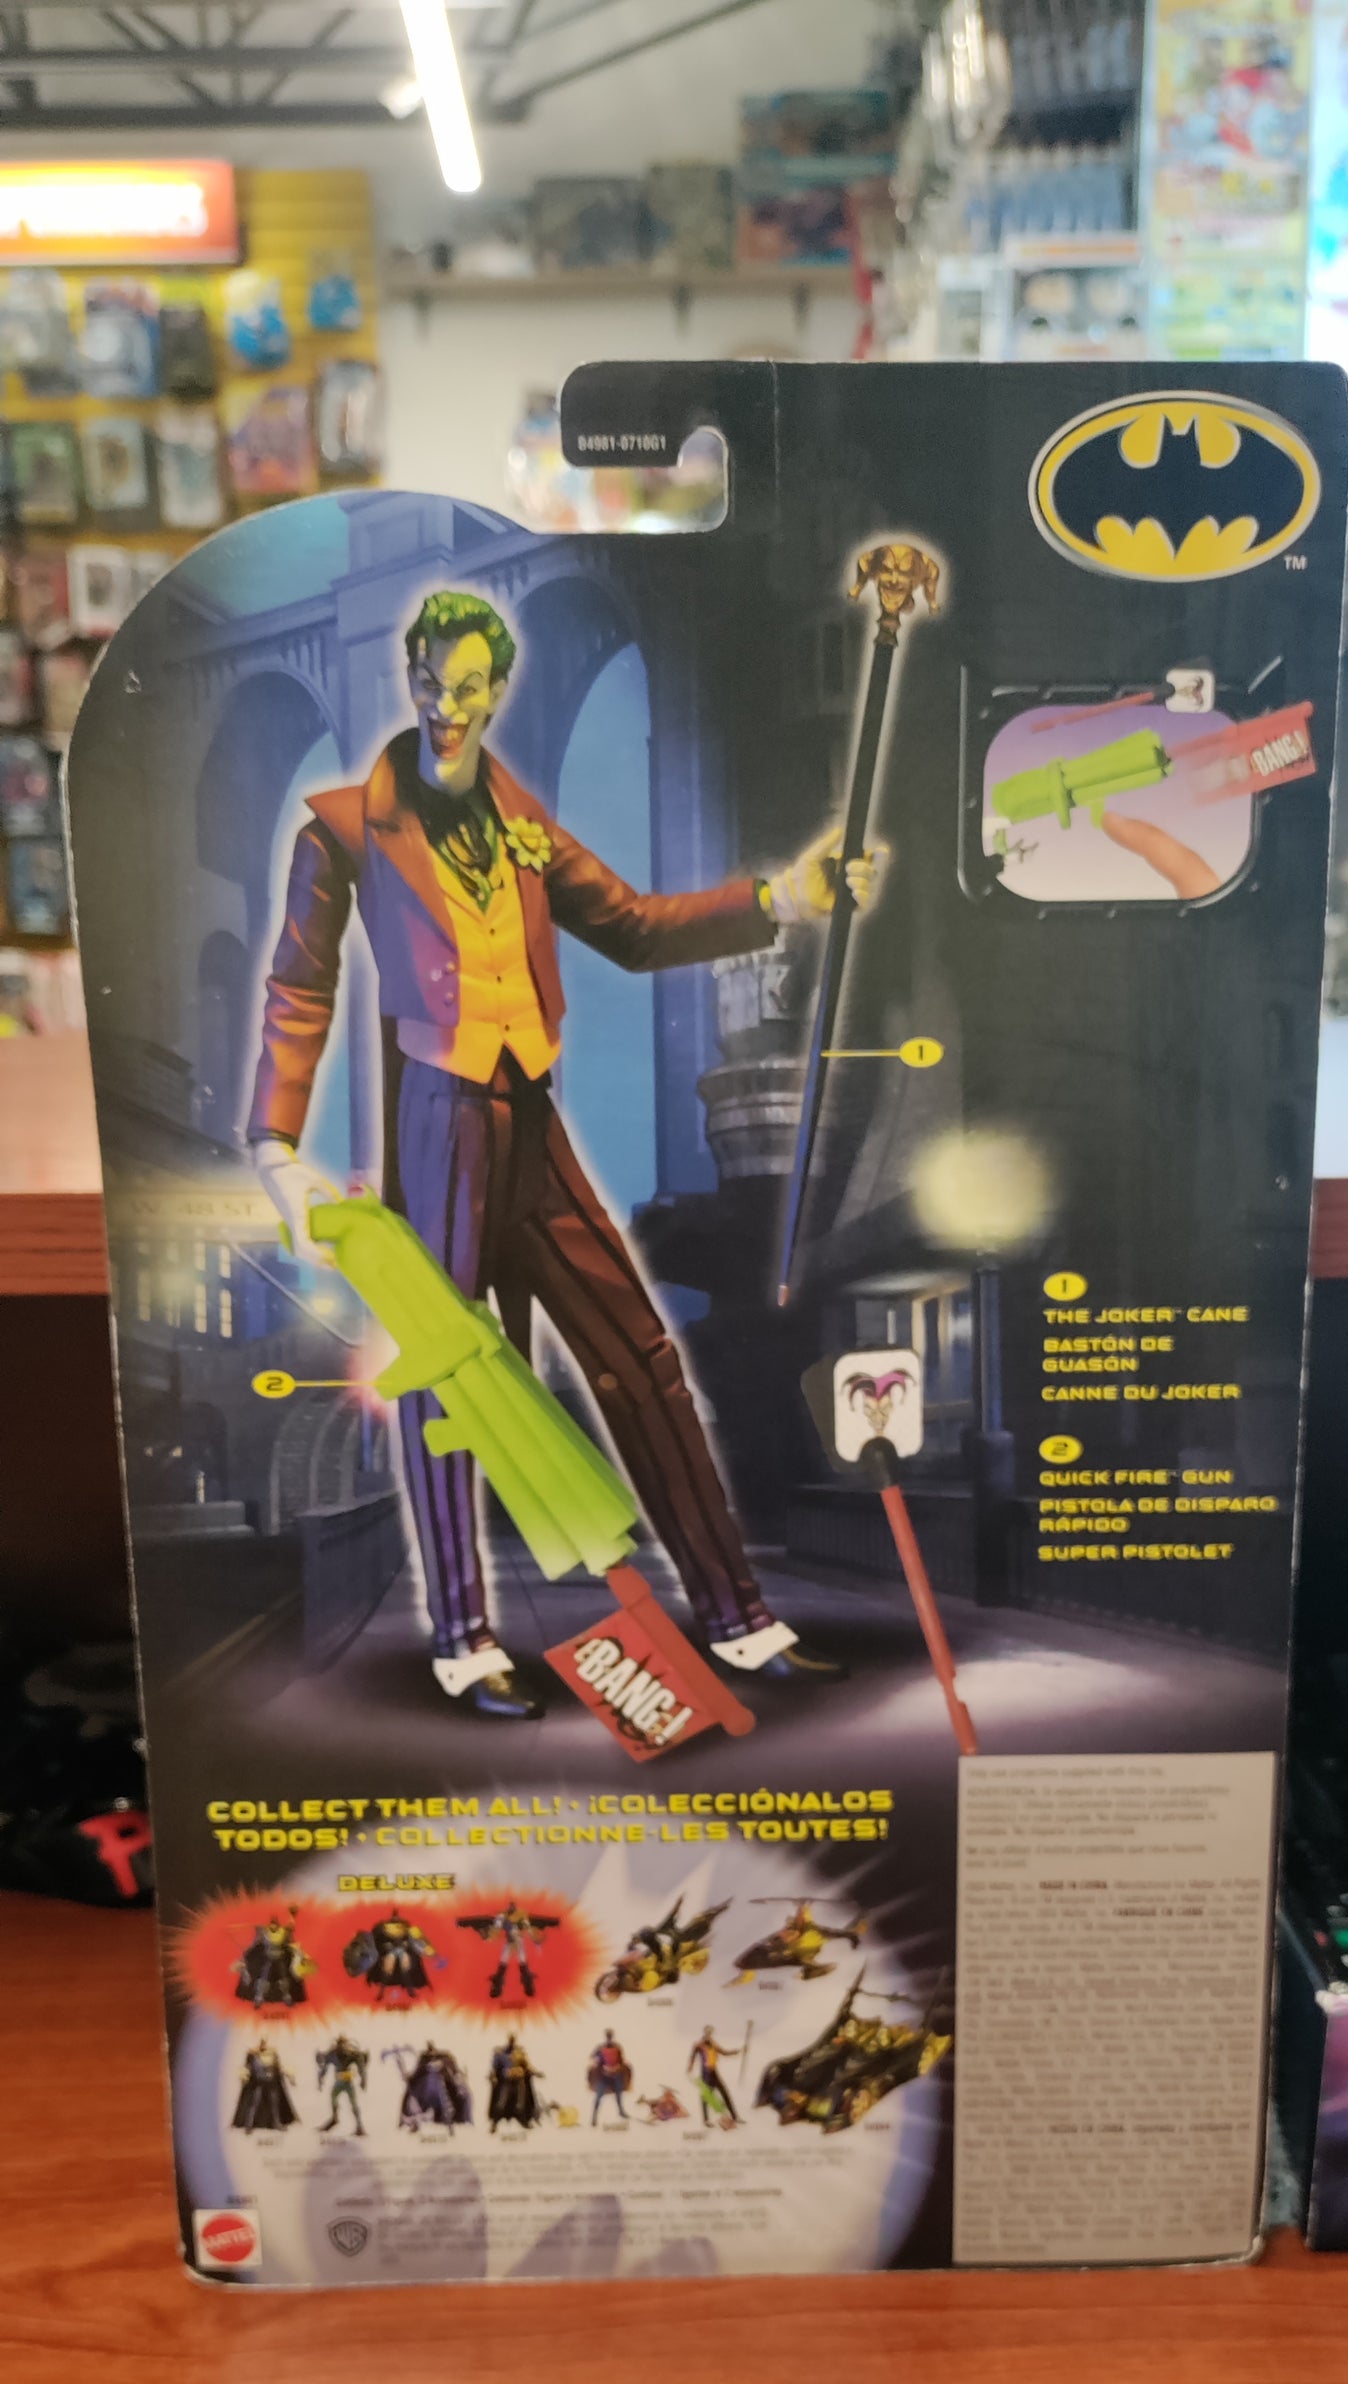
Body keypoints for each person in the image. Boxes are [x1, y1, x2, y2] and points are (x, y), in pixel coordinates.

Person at [248, 589, 886, 1717]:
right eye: (430, 683)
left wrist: (781, 896)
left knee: (640, 1354)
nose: (446, 707)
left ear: (498, 689)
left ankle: (735, 1617)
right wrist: (274, 1146)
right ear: (411, 678)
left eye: (467, 686)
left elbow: (632, 926)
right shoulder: (346, 827)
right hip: (437, 1115)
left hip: (530, 1113)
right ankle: (463, 1640)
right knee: (448, 1369)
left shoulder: (522, 824)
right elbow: (300, 984)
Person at [587, 2030, 633, 2126]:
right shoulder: (600, 2048)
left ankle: (621, 2111)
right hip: (604, 2076)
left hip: (615, 2075)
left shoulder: (617, 2047)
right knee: (599, 2096)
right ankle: (594, 2117)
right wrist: (598, 2060)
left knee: (619, 2093)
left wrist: (617, 2067)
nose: (609, 2038)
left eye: (610, 2036)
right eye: (608, 2037)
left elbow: (621, 2060)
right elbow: (592, 2056)